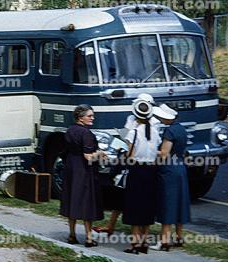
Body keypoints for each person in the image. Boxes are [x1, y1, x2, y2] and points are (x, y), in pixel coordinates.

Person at [93, 94, 158, 236]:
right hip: (136, 161)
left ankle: (137, 234)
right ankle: (112, 226)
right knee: (120, 193)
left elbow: (133, 141)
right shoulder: (134, 120)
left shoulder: (152, 124)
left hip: (133, 162)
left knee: (136, 198)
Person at [59, 105, 106, 246]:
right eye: (90, 116)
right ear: (81, 118)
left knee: (72, 199)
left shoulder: (70, 130)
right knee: (87, 202)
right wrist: (100, 153)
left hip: (71, 167)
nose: (93, 118)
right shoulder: (86, 133)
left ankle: (72, 234)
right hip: (84, 170)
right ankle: (89, 237)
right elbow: (88, 157)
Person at [122, 99, 162, 254]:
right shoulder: (154, 131)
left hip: (137, 170)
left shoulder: (133, 132)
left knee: (134, 206)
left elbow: (129, 154)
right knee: (147, 206)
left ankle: (134, 243)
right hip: (151, 170)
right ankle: (144, 240)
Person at [151, 105, 191, 251]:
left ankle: (165, 240)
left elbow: (164, 154)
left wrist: (149, 149)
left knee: (167, 204)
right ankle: (179, 237)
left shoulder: (170, 131)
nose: (160, 119)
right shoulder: (181, 128)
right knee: (179, 202)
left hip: (169, 170)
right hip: (180, 167)